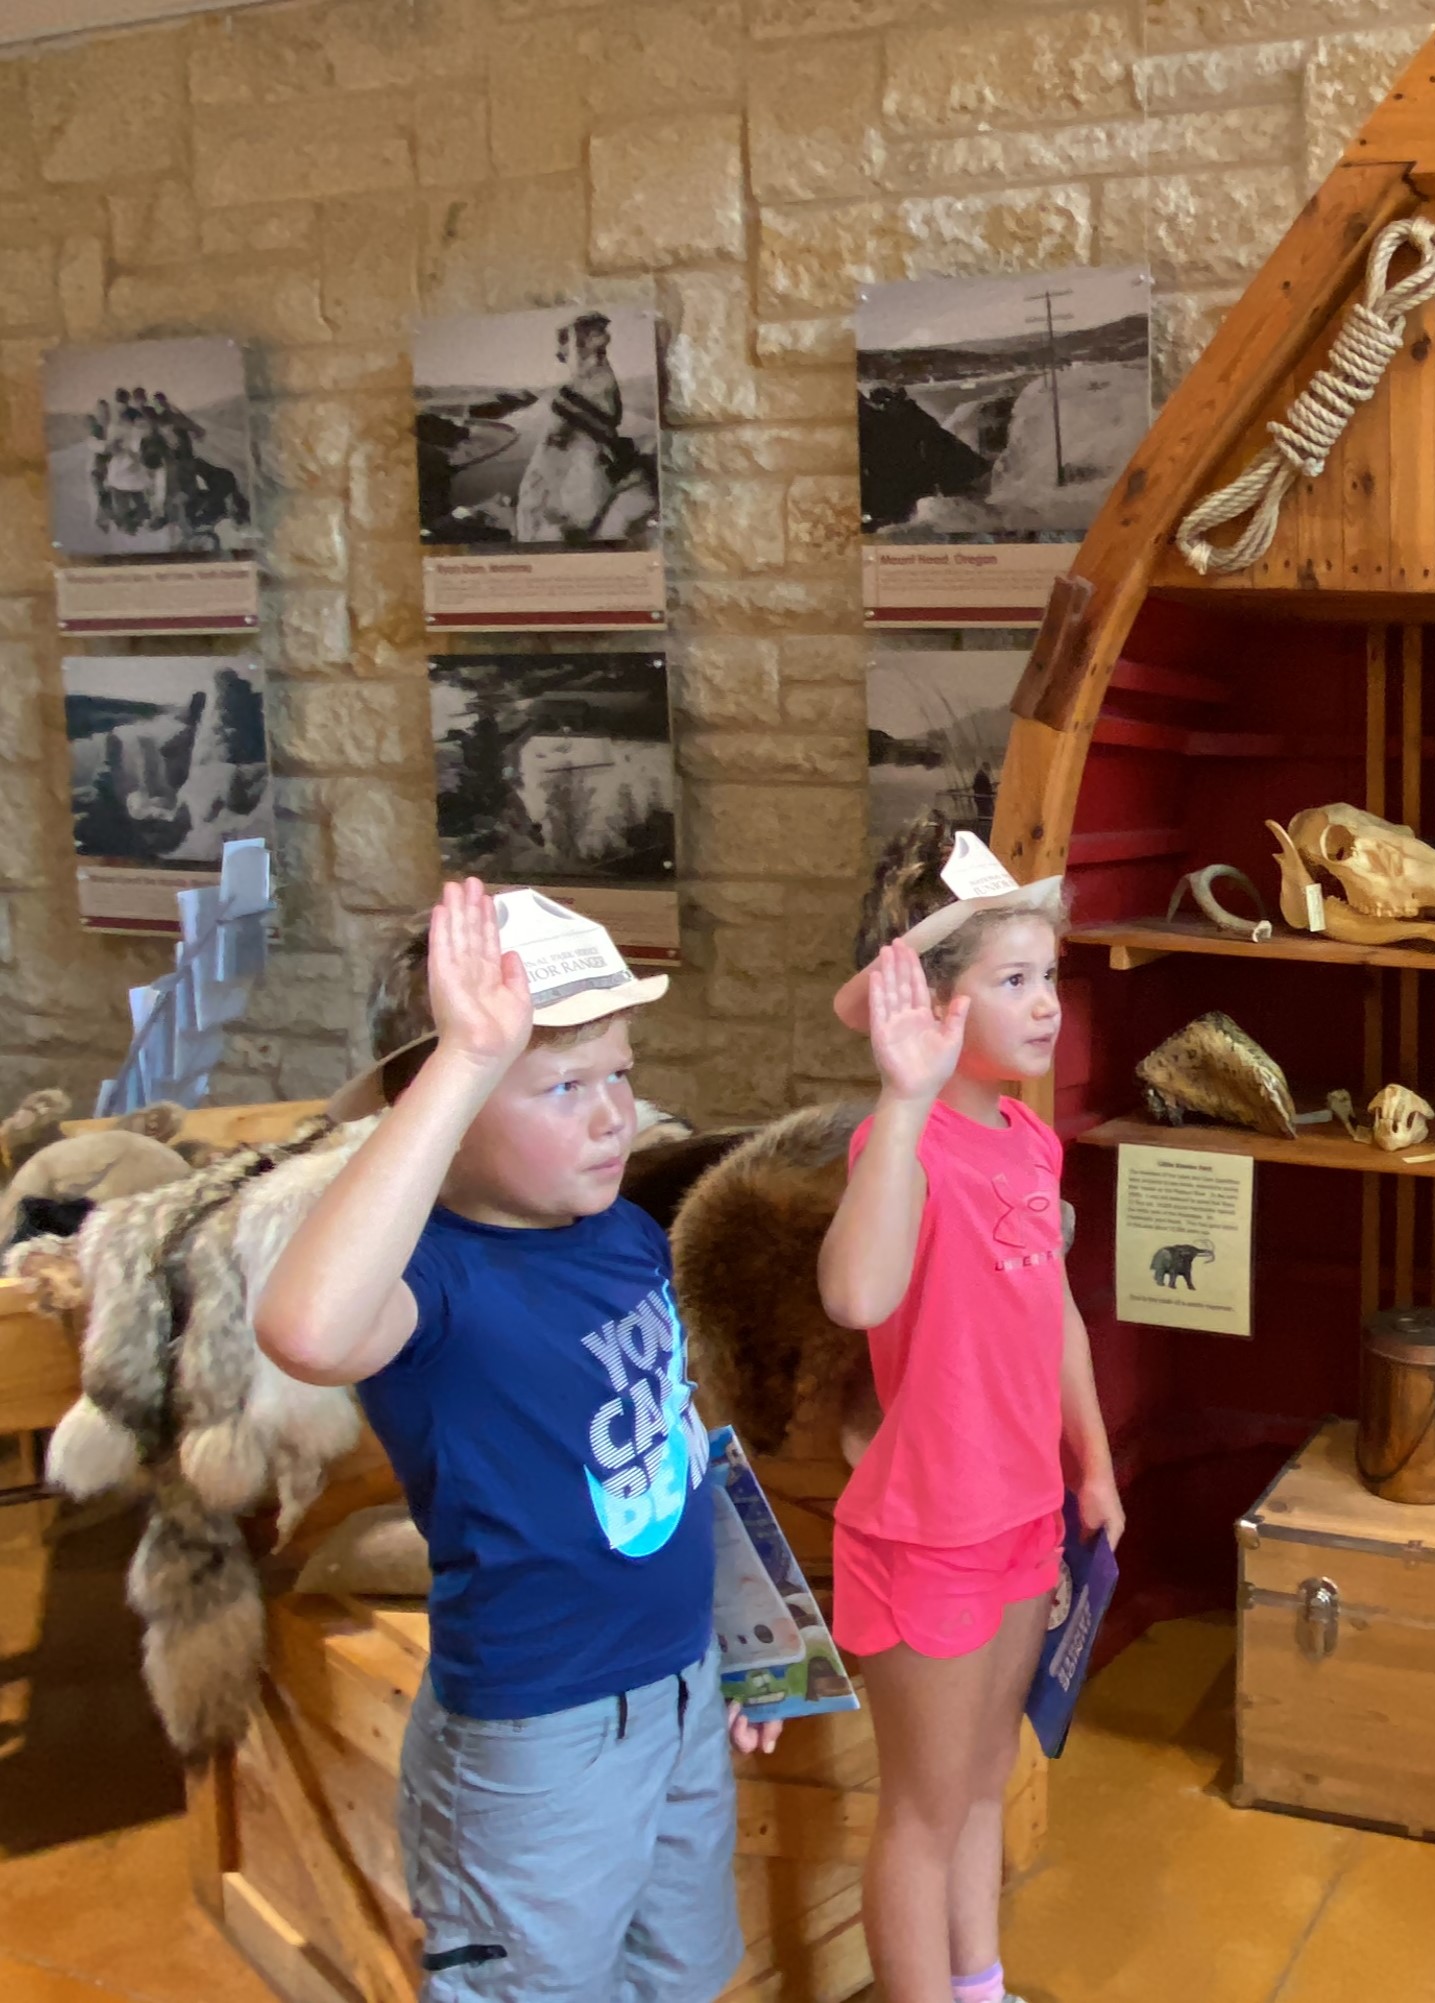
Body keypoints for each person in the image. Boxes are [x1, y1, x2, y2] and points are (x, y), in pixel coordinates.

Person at [255, 881, 780, 2002]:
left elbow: (677, 1445)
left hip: (683, 1687)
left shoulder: (627, 1232)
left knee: (681, 1975)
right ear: (433, 1106)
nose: (614, 1116)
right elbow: (304, 1327)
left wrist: (752, 1631)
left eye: (621, 1074)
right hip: (541, 1736)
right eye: (561, 1086)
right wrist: (463, 1057)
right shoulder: (429, 1283)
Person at [818, 819, 1124, 2003]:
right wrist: (900, 1105)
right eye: (1013, 980)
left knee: (987, 1780)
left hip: (1020, 1509)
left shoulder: (1028, 1138)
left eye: (1050, 975)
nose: (1047, 1004)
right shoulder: (901, 1145)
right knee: (924, 1807)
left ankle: (979, 1985)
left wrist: (1090, 1463)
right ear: (934, 1003)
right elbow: (857, 1293)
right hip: (929, 1524)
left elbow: (1053, 1316)